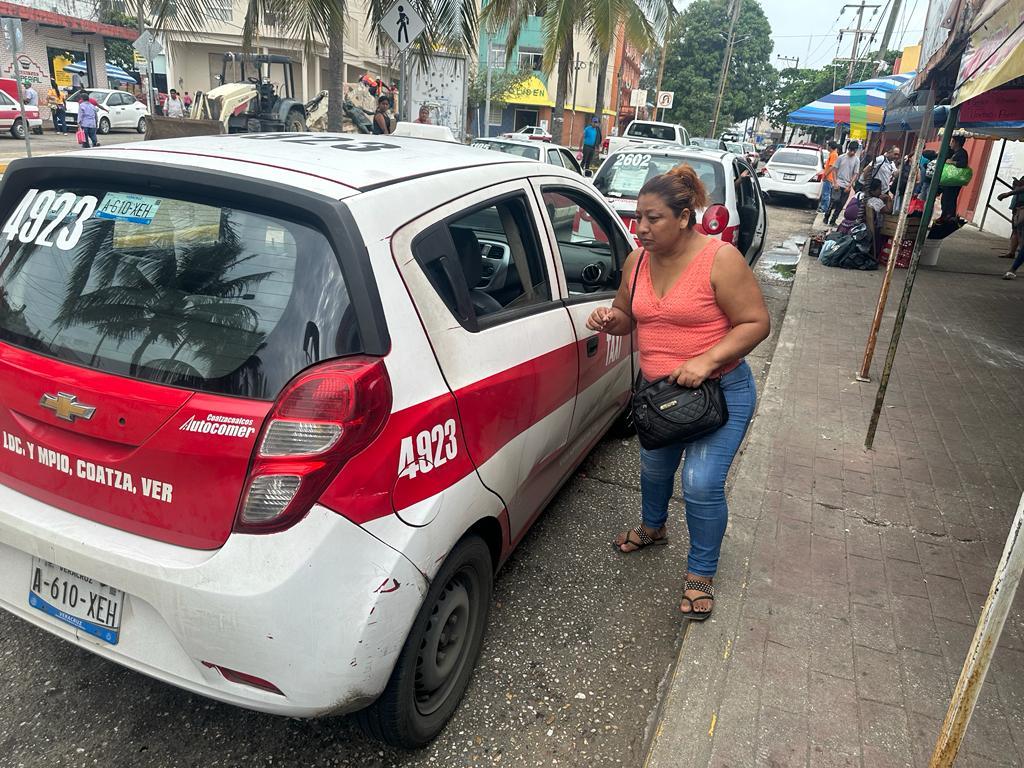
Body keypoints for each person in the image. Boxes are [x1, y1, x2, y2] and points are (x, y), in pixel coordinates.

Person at [586, 164, 770, 621]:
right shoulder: (637, 262)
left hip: (719, 393)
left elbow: (755, 322)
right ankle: (654, 529)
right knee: (654, 470)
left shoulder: (720, 259)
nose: (641, 228)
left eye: (653, 218)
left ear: (685, 217)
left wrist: (707, 360)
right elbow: (628, 316)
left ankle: (700, 573)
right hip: (660, 397)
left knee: (700, 482)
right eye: (638, 217)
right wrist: (610, 320)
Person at [825, 141, 860, 226]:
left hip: (847, 185)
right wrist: (835, 182)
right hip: (838, 183)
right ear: (848, 149)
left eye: (854, 151)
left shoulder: (856, 160)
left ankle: (833, 220)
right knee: (833, 202)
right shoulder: (841, 157)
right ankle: (826, 217)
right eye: (851, 150)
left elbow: (855, 174)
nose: (852, 152)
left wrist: (850, 185)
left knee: (841, 205)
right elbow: (834, 170)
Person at [939, 134, 969, 221]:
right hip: (948, 180)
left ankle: (950, 217)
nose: (951, 143)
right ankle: (944, 215)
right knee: (944, 199)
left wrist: (952, 162)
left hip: (955, 181)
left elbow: (963, 164)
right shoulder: (952, 152)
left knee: (951, 199)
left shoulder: (962, 153)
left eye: (952, 141)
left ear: (957, 143)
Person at [997, 176, 1024, 259]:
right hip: (1017, 206)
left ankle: (1021, 254)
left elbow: (1021, 189)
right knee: (1015, 230)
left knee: (1021, 231)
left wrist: (1007, 194)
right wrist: (1016, 185)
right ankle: (1012, 252)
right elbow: (1017, 188)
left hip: (1022, 207)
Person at [818, 140, 839, 214]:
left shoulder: (834, 155)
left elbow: (831, 166)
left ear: (830, 146)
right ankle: (823, 207)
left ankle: (824, 208)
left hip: (829, 177)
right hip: (828, 177)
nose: (827, 147)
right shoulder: (832, 154)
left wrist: (825, 175)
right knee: (825, 193)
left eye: (828, 145)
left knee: (826, 194)